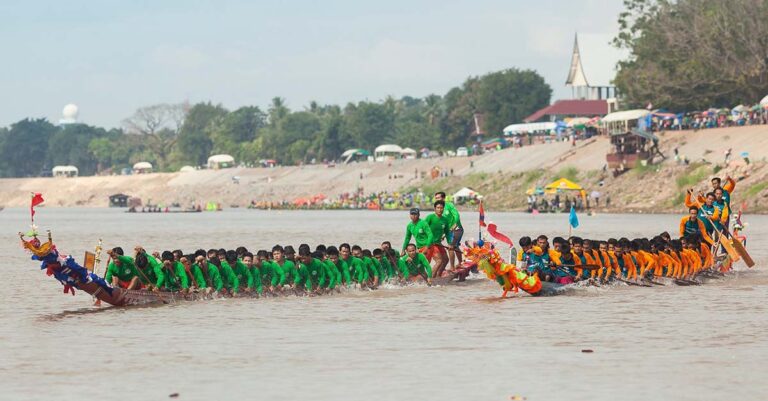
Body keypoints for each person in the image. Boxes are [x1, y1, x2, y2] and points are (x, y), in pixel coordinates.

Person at [434, 191, 464, 272]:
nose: (436, 199)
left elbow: (456, 215)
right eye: (435, 198)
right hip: (448, 231)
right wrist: (442, 235)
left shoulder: (449, 205)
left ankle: (452, 267)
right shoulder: (438, 208)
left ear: (443, 198)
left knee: (451, 247)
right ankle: (460, 262)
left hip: (457, 229)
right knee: (455, 246)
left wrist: (455, 224)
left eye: (438, 198)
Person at [423, 200, 451, 277]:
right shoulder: (430, 217)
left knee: (446, 260)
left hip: (438, 243)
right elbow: (422, 228)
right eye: (438, 208)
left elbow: (447, 233)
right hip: (430, 244)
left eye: (441, 208)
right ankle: (431, 277)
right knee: (439, 261)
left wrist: (450, 243)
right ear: (435, 209)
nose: (439, 209)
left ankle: (439, 275)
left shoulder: (445, 220)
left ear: (443, 209)